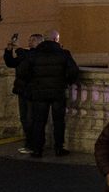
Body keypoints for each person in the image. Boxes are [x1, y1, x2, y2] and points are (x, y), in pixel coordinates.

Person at [16, 28, 79, 157]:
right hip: (58, 92)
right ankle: (58, 148)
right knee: (58, 121)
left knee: (39, 121)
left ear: (44, 39)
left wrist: (33, 81)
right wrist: (66, 81)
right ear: (56, 39)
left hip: (39, 92)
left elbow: (22, 72)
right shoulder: (63, 54)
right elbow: (74, 71)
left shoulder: (34, 54)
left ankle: (38, 149)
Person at [4, 32, 41, 147]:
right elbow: (11, 63)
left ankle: (32, 142)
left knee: (31, 118)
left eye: (33, 40)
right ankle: (28, 140)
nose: (30, 42)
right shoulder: (26, 53)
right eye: (29, 40)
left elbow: (28, 59)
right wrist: (9, 50)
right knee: (24, 117)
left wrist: (18, 48)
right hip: (22, 89)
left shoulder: (38, 54)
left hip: (32, 91)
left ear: (40, 42)